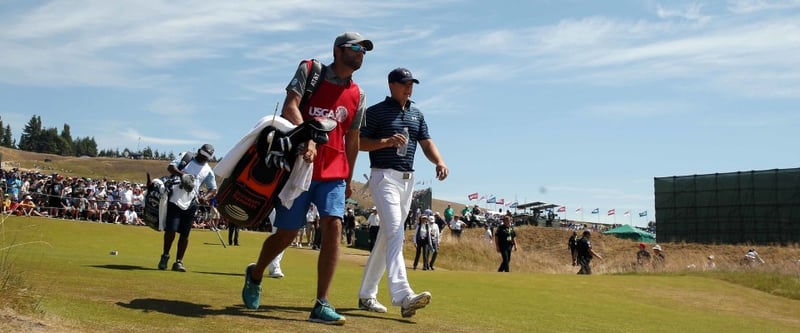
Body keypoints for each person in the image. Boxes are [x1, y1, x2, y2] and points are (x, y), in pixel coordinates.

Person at [241, 32, 370, 326]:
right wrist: (307, 138)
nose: (361, 53)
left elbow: (353, 138)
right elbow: (291, 106)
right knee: (286, 234)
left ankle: (321, 303)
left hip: (334, 173)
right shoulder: (310, 71)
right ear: (338, 51)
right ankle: (256, 272)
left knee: (334, 225)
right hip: (299, 168)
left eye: (365, 50)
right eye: (356, 47)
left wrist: (349, 176)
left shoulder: (359, 94)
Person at [356, 67, 449, 318]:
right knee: (396, 230)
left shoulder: (417, 113)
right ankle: (403, 295)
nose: (409, 88)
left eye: (412, 84)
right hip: (383, 176)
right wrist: (385, 142)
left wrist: (439, 161)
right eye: (404, 83)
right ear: (391, 85)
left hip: (407, 182)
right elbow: (358, 142)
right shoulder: (375, 112)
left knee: (387, 237)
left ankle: (366, 294)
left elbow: (426, 142)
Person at [157, 144, 218, 272]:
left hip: (191, 203)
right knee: (171, 230)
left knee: (185, 235)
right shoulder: (186, 157)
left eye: (206, 156)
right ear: (199, 151)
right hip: (175, 199)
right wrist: (182, 175)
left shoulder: (208, 170)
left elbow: (213, 189)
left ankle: (178, 262)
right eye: (202, 154)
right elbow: (171, 167)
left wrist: (205, 197)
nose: (203, 157)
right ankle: (165, 256)